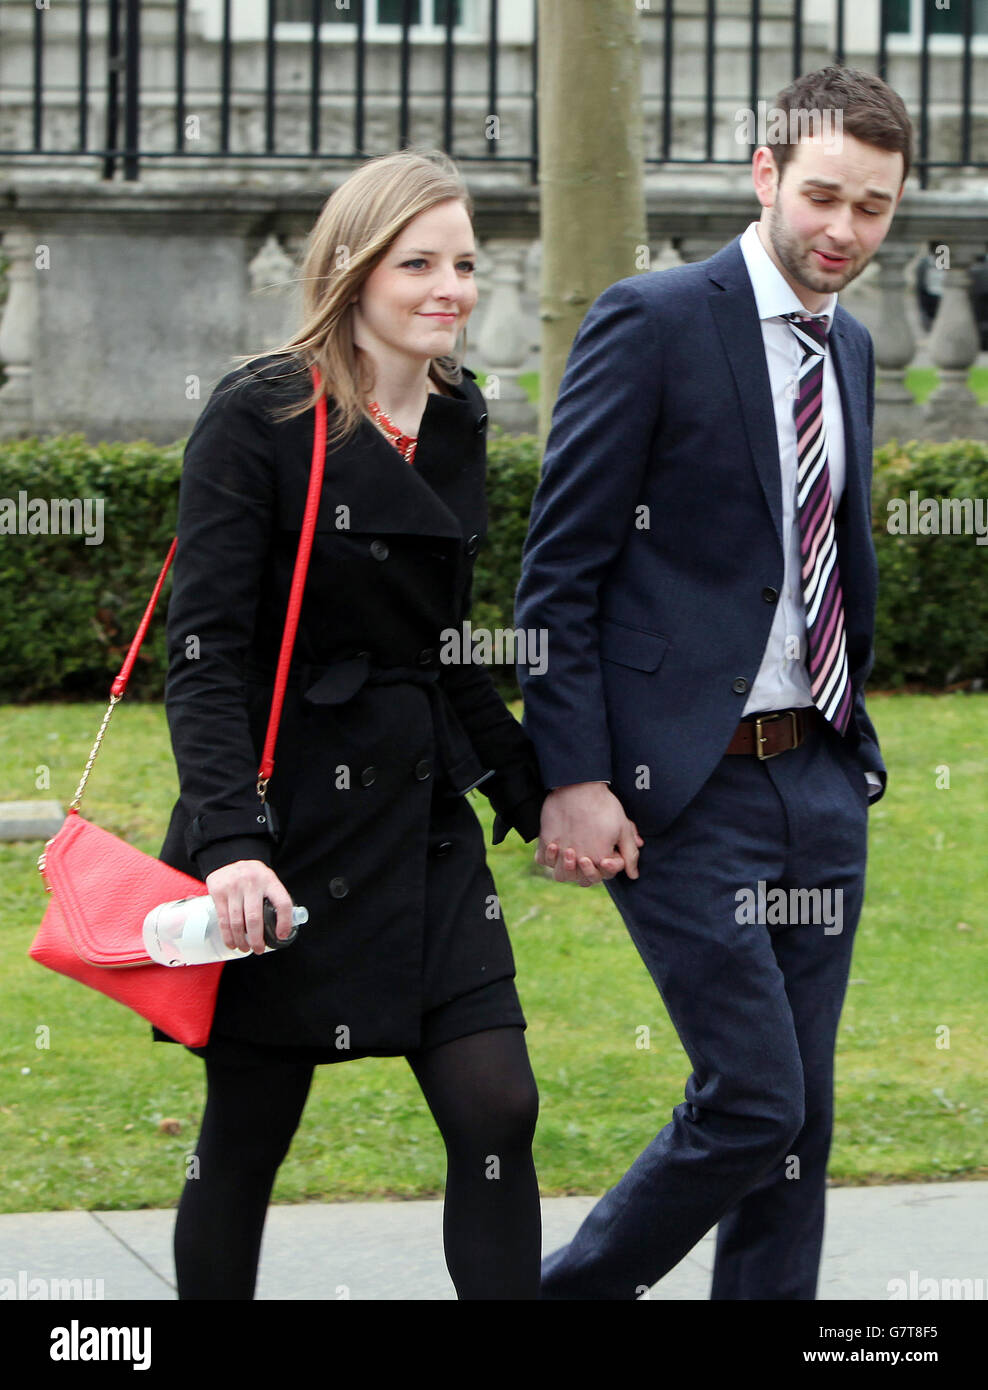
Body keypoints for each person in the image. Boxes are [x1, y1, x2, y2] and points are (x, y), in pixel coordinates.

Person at [514, 66, 910, 1299]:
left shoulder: (842, 349)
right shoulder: (656, 318)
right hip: (683, 792)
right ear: (764, 176)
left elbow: (829, 554)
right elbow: (557, 571)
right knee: (751, 1102)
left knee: (801, 1134)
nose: (843, 231)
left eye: (875, 208)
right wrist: (571, 776)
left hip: (818, 779)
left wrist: (847, 747)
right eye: (823, 197)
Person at [155, 148, 546, 1300]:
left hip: (420, 825)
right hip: (284, 838)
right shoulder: (260, 412)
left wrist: (533, 788)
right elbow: (205, 651)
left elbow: (436, 645)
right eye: (416, 261)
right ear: (351, 267)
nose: (450, 286)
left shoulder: (460, 413)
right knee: (246, 1132)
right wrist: (232, 840)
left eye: (465, 262)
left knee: (497, 1106)